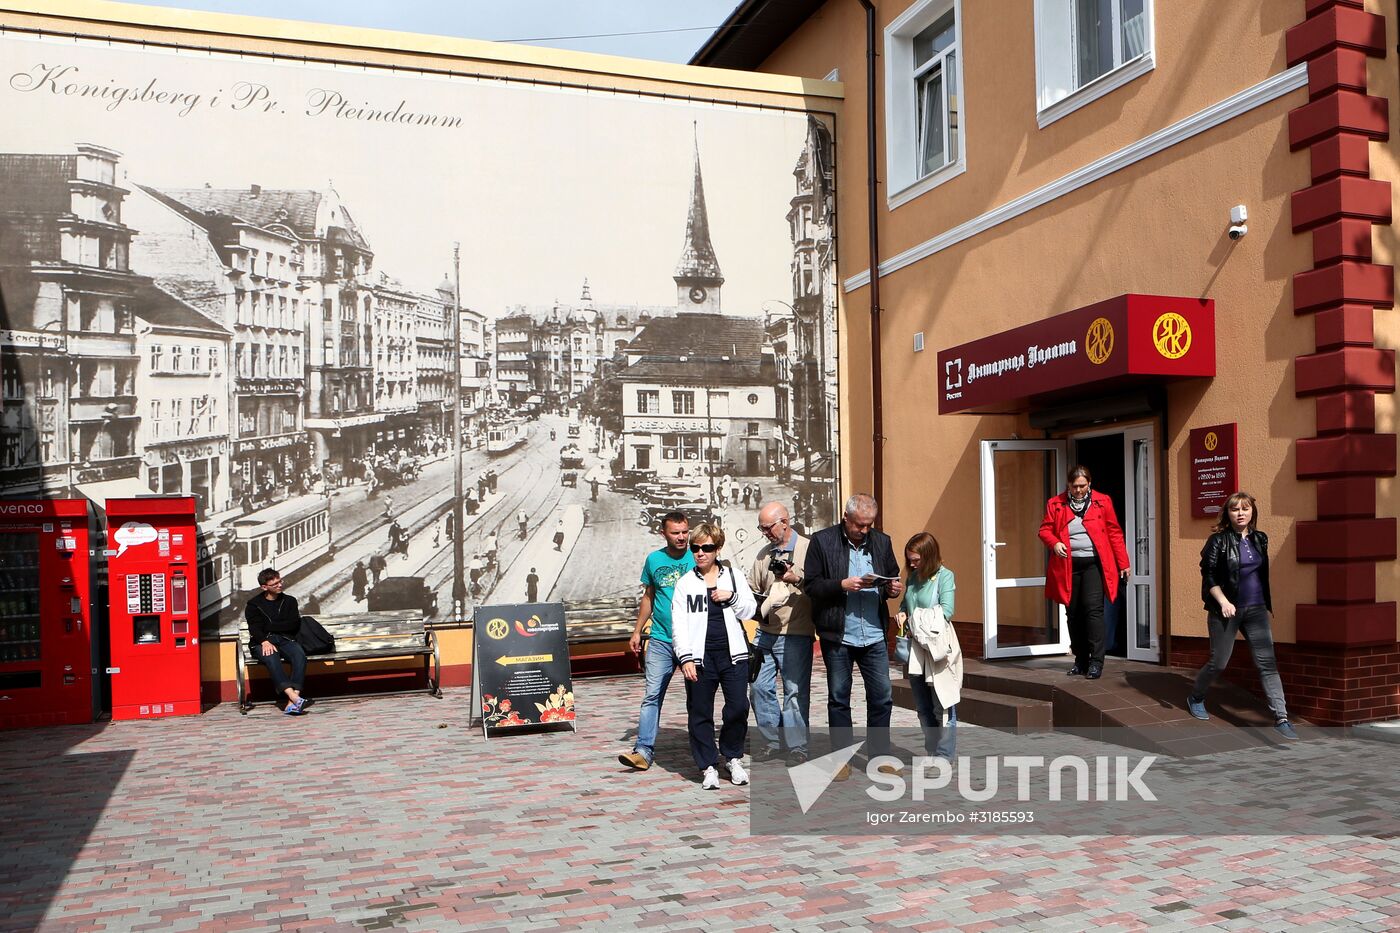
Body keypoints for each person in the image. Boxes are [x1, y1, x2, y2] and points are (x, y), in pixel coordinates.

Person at [803, 493, 903, 776]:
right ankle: (841, 759)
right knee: (838, 697)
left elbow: (892, 575)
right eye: (859, 525)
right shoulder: (822, 542)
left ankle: (881, 756)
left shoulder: (881, 542)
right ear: (845, 518)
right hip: (839, 635)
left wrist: (891, 589)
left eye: (869, 525)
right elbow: (811, 586)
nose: (864, 531)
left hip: (873, 633)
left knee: (882, 697)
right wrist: (841, 584)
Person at [1188, 492, 1299, 739]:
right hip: (1226, 610)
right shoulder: (1217, 541)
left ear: (1252, 512)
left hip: (1256, 609)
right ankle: (1196, 696)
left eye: (1245, 509)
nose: (1241, 513)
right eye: (1235, 509)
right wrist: (1224, 601)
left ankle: (1281, 716)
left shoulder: (1260, 539)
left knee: (1267, 664)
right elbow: (1209, 577)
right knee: (1219, 663)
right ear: (1227, 513)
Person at [672, 523, 758, 789]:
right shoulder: (685, 583)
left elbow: (749, 610)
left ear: (717, 549)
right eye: (695, 548)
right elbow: (679, 623)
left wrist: (731, 597)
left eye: (706, 548)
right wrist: (685, 657)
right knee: (700, 712)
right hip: (700, 657)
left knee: (739, 708)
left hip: (733, 655)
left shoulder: (733, 576)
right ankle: (708, 765)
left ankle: (732, 757)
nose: (700, 553)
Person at [618, 511, 694, 771]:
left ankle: (700, 748)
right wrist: (638, 630)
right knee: (652, 695)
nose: (682, 537)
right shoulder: (654, 560)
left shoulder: (698, 556)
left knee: (697, 697)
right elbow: (649, 596)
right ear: (664, 533)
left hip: (692, 641)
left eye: (685, 531)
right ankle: (643, 750)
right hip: (661, 638)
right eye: (676, 532)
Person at [1037, 465, 1129, 680]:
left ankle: (1097, 662)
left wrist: (1123, 562)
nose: (1078, 490)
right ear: (1068, 485)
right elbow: (1044, 530)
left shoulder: (1102, 501)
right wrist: (1054, 543)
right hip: (1068, 565)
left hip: (1094, 565)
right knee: (1073, 613)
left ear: (1090, 484)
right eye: (1074, 486)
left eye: (1082, 486)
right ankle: (1081, 660)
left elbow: (1115, 533)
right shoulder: (1056, 503)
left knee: (1093, 611)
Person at [748, 502, 814, 765]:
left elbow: (820, 588)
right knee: (758, 687)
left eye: (768, 528)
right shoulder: (764, 555)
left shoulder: (808, 550)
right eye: (761, 528)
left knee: (794, 691)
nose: (765, 533)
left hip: (796, 630)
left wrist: (795, 579)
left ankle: (798, 746)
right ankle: (772, 741)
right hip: (765, 631)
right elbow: (753, 589)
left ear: (785, 522)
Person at [897, 533, 959, 761]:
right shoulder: (912, 578)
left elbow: (947, 611)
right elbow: (906, 604)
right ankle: (932, 750)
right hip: (916, 648)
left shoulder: (945, 576)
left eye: (916, 560)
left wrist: (916, 619)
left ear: (929, 556)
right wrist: (903, 613)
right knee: (923, 706)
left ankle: (944, 754)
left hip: (937, 646)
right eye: (909, 560)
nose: (911, 564)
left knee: (942, 703)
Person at [245, 569, 310, 715]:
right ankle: (294, 696)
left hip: (285, 639)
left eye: (280, 581)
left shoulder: (290, 601)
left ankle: (293, 701)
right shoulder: (254, 604)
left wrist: (269, 626)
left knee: (299, 655)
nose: (280, 585)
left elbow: (293, 624)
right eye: (275, 584)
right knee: (271, 657)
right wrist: (264, 641)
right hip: (262, 641)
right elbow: (255, 628)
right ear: (264, 587)